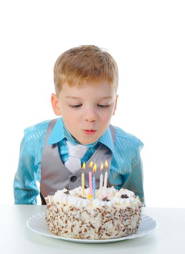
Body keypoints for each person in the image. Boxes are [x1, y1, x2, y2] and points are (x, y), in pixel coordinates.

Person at [14, 45, 144, 205]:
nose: (90, 117)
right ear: (57, 104)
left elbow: (136, 205)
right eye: (76, 105)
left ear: (115, 104)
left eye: (103, 105)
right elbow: (24, 193)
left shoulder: (128, 148)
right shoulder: (34, 139)